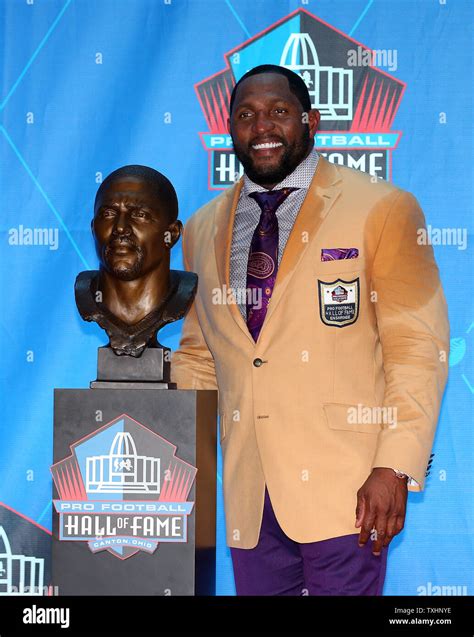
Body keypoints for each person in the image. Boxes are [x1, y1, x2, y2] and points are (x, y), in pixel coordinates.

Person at [171, 65, 449, 595]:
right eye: (246, 115)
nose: (263, 127)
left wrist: (395, 467)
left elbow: (417, 349)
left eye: (278, 111)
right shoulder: (203, 227)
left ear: (311, 120)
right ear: (229, 130)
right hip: (251, 497)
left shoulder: (384, 207)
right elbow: (199, 355)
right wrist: (170, 446)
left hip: (351, 492)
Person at [75, 165, 197, 357]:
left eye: (139, 215)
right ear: (93, 228)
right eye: (108, 214)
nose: (121, 228)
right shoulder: (86, 291)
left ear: (171, 234)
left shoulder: (184, 290)